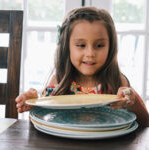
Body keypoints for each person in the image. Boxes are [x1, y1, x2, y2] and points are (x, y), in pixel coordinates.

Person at [16, 7, 149, 126]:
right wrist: (34, 104)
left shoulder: (117, 82)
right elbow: (43, 123)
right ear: (66, 47)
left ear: (111, 47)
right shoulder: (58, 81)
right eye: (81, 45)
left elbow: (146, 123)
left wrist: (132, 101)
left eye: (99, 45)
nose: (90, 53)